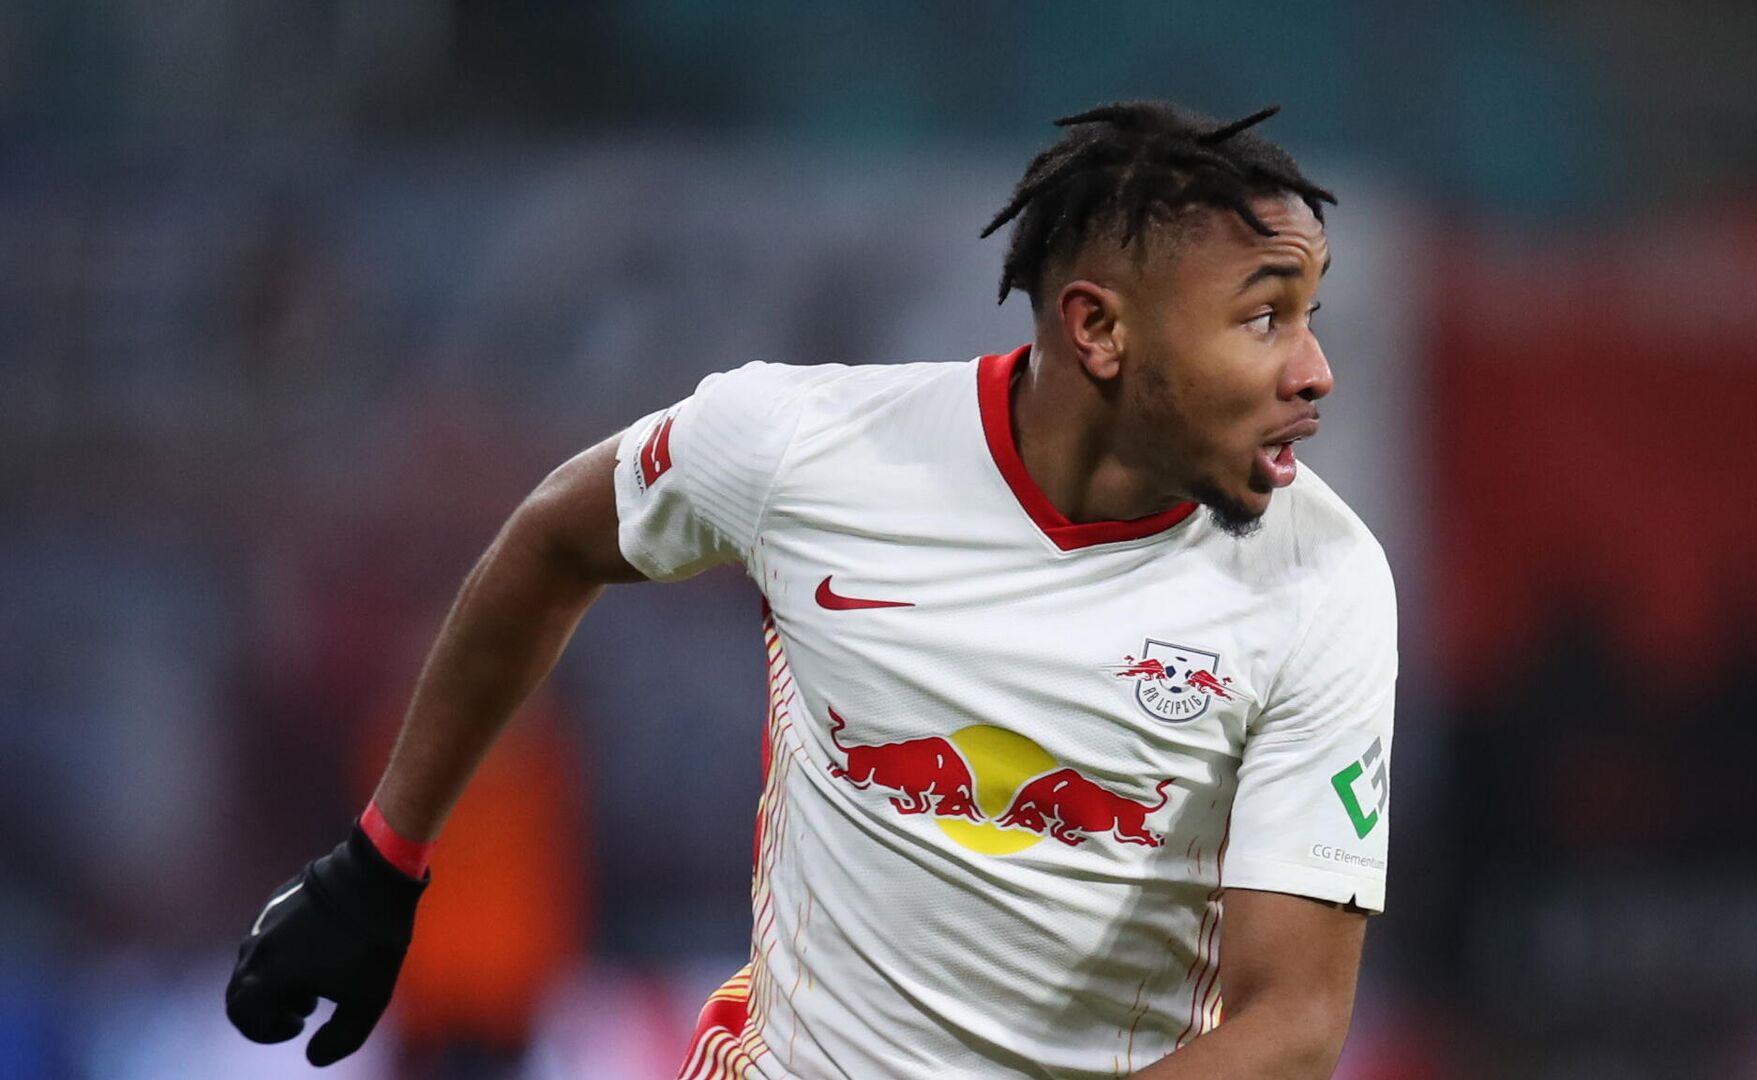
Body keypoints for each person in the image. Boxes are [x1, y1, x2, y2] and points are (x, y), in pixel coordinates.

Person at [226, 100, 1397, 1079]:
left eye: (1311, 315)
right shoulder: (804, 448)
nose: (1315, 370)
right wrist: (381, 859)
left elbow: (1291, 1024)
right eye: (1263, 318)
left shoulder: (1322, 580)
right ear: (1098, 330)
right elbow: (552, 541)